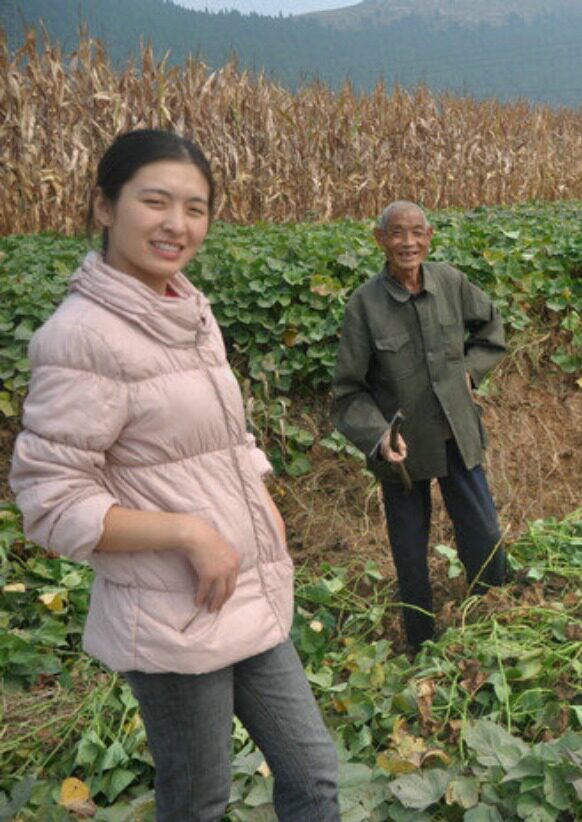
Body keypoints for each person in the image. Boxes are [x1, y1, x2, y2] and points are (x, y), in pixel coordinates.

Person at [8, 129, 339, 821]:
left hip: (244, 589)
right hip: (171, 614)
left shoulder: (186, 310)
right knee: (198, 803)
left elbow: (218, 437)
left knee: (314, 778)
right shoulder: (81, 338)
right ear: (104, 205)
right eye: (155, 202)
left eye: (196, 208)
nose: (177, 225)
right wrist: (189, 532)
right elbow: (50, 502)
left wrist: (260, 492)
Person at [331, 200, 507, 656]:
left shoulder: (450, 282)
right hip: (403, 451)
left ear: (429, 237)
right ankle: (420, 640)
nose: (407, 243)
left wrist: (470, 370)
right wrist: (379, 437)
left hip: (455, 432)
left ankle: (494, 617)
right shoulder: (365, 305)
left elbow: (491, 327)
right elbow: (348, 393)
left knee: (484, 533)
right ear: (380, 240)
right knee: (410, 551)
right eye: (396, 233)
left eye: (416, 233)